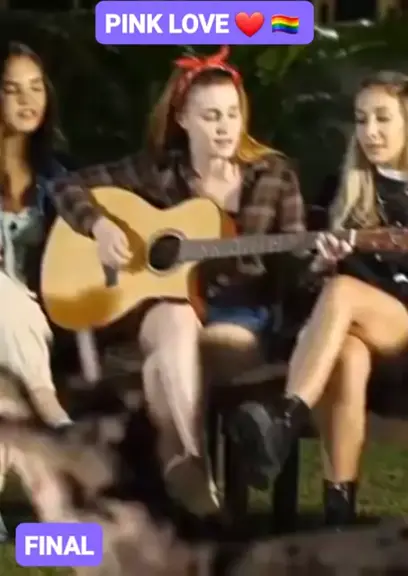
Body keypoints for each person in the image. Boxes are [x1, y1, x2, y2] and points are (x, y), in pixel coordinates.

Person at [49, 46, 312, 517]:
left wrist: (315, 257)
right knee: (175, 316)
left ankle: (188, 477)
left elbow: (296, 261)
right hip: (167, 314)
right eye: (211, 116)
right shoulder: (158, 171)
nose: (225, 127)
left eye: (232, 114)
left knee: (162, 369)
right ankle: (193, 474)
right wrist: (100, 226)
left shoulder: (274, 175)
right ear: (183, 119)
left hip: (239, 321)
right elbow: (66, 186)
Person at [230, 70, 408, 529]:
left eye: (382, 118)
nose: (370, 131)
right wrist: (321, 264)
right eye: (361, 120)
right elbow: (307, 286)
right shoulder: (343, 188)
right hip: (352, 329)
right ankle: (338, 515)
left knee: (343, 292)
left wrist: (349, 274)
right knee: (347, 355)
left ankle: (284, 419)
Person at [0, 41, 74, 538]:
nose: (28, 100)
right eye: (13, 90)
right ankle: (53, 418)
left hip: (36, 328)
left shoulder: (58, 177)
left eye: (35, 88)